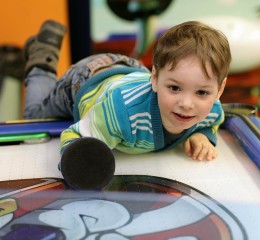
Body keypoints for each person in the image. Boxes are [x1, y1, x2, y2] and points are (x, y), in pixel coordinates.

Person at [23, 20, 232, 190]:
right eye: (175, 88)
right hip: (85, 80)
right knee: (34, 117)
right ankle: (43, 59)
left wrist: (202, 135)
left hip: (130, 69)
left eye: (202, 92)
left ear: (219, 90)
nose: (187, 104)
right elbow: (74, 136)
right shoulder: (122, 112)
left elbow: (211, 123)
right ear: (156, 79)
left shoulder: (211, 110)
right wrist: (79, 165)